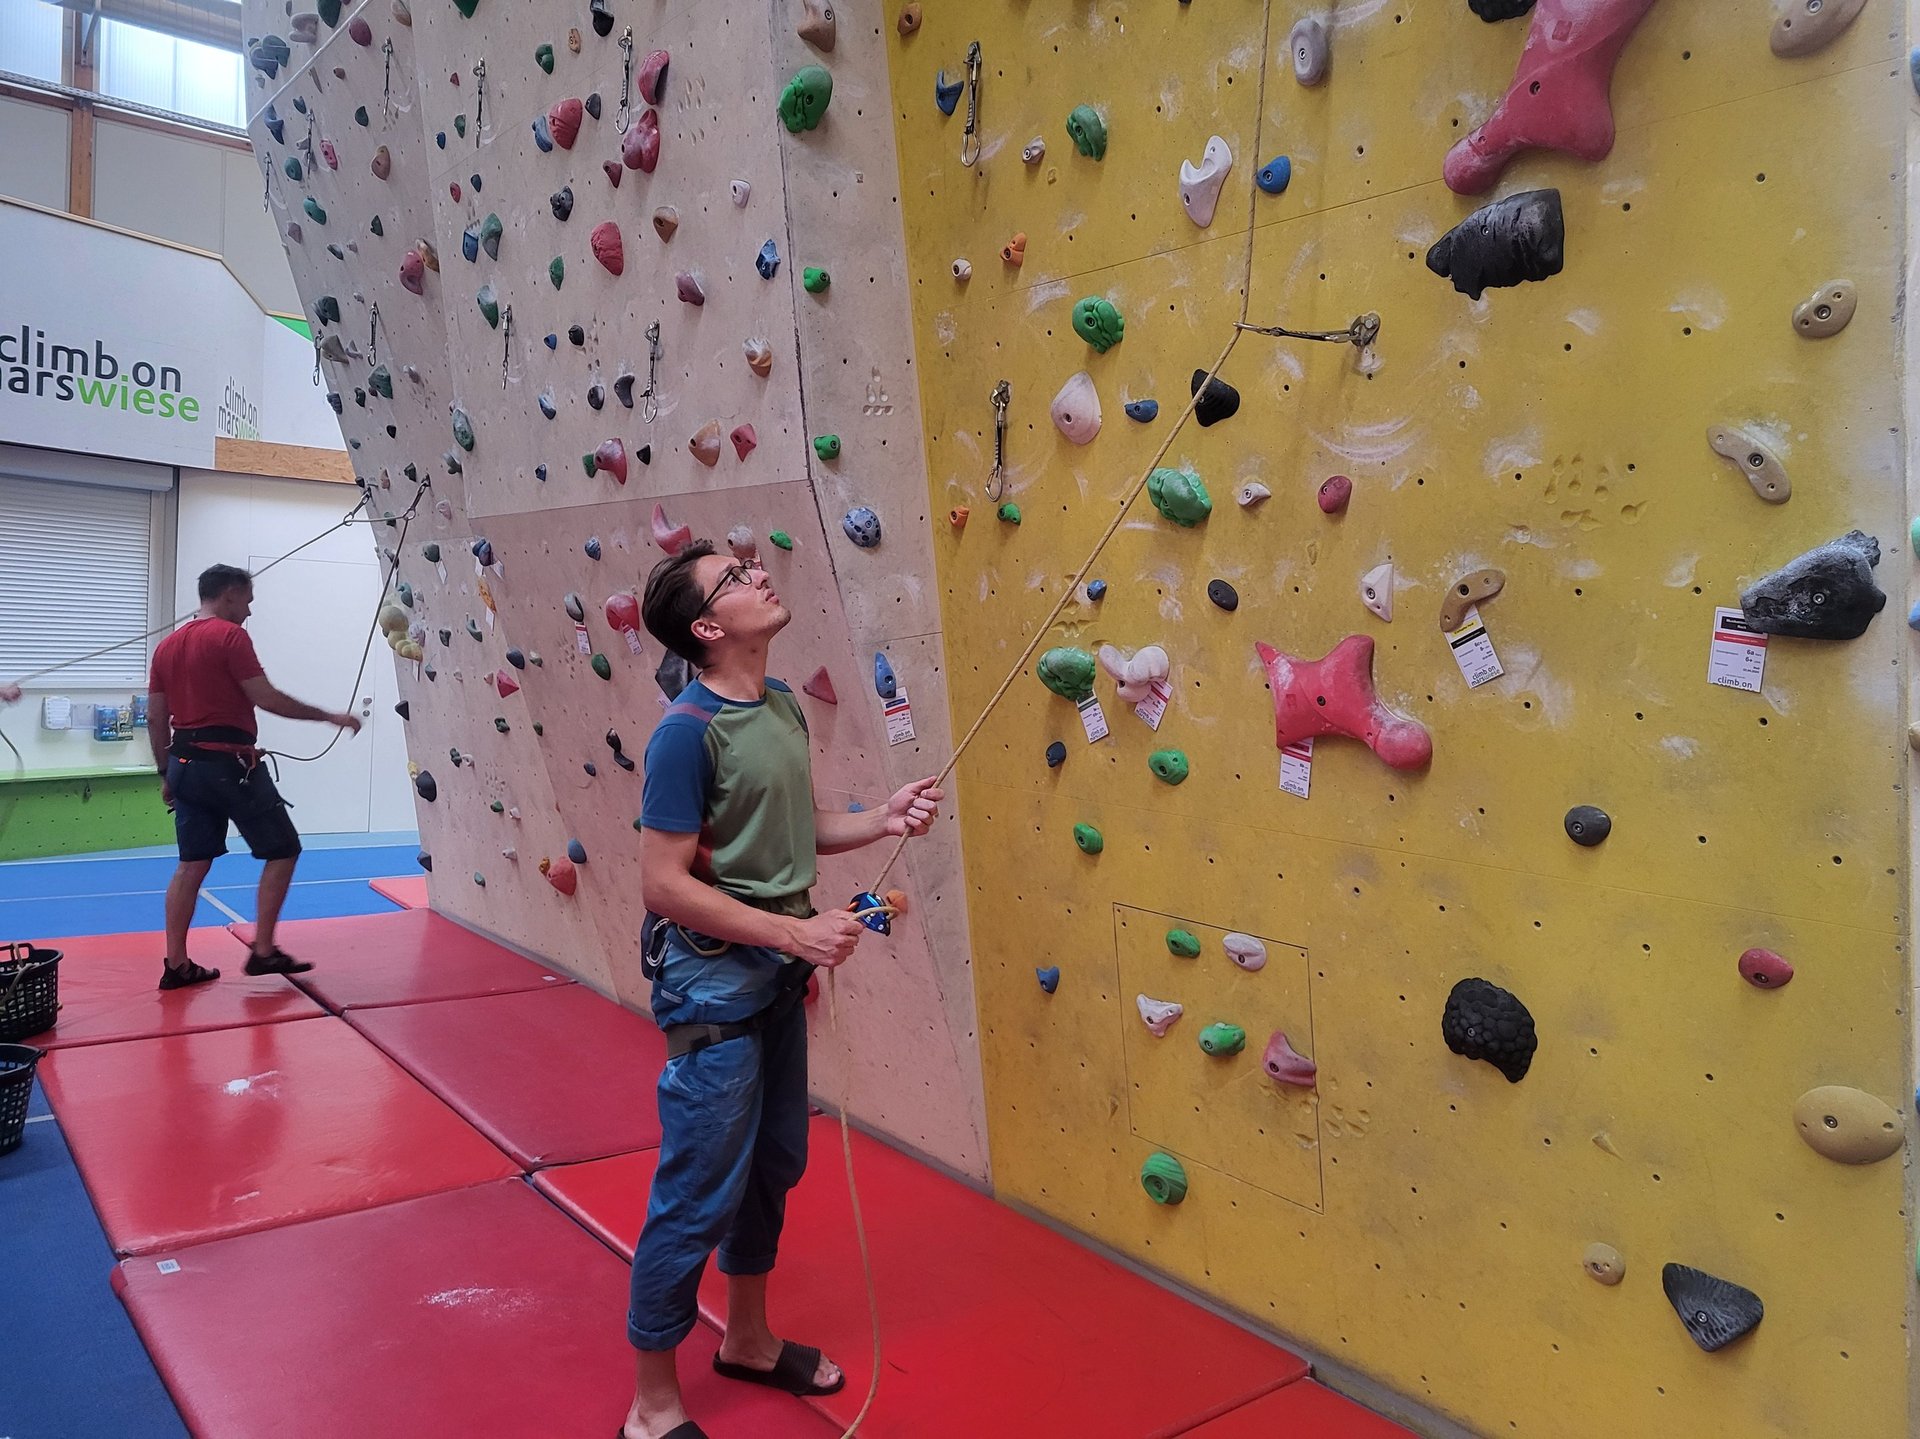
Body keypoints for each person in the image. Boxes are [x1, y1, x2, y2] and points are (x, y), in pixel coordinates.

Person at [623, 542, 941, 1439]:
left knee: (770, 1170)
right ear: (709, 627)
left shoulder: (779, 703)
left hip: (772, 972)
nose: (759, 573)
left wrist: (878, 817)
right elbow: (663, 881)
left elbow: (793, 833)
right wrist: (792, 930)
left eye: (751, 563)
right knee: (697, 1190)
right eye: (735, 577)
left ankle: (749, 1340)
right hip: (714, 984)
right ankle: (651, 1406)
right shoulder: (685, 733)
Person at [146, 564, 360, 990]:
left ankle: (176, 963)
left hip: (185, 766)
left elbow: (155, 716)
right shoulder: (229, 636)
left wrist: (165, 771)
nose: (247, 612)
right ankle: (263, 951)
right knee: (283, 849)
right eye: (246, 601)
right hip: (228, 767)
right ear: (228, 595)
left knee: (191, 865)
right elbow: (265, 697)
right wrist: (328, 716)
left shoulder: (167, 646)